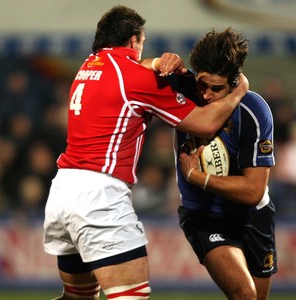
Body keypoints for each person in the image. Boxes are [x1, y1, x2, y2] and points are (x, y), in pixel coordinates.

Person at [42, 5, 248, 300]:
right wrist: (239, 90)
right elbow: (205, 124)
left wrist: (157, 63)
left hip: (62, 193)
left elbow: (136, 67)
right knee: (130, 296)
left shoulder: (89, 66)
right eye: (143, 42)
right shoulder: (136, 79)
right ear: (135, 39)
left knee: (77, 297)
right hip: (99, 198)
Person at [172, 28, 277, 300]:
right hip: (206, 215)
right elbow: (136, 72)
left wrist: (197, 177)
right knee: (245, 294)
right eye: (202, 84)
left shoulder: (254, 112)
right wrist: (159, 62)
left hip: (253, 216)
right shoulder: (181, 89)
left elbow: (253, 190)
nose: (205, 95)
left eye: (216, 88)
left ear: (233, 83)